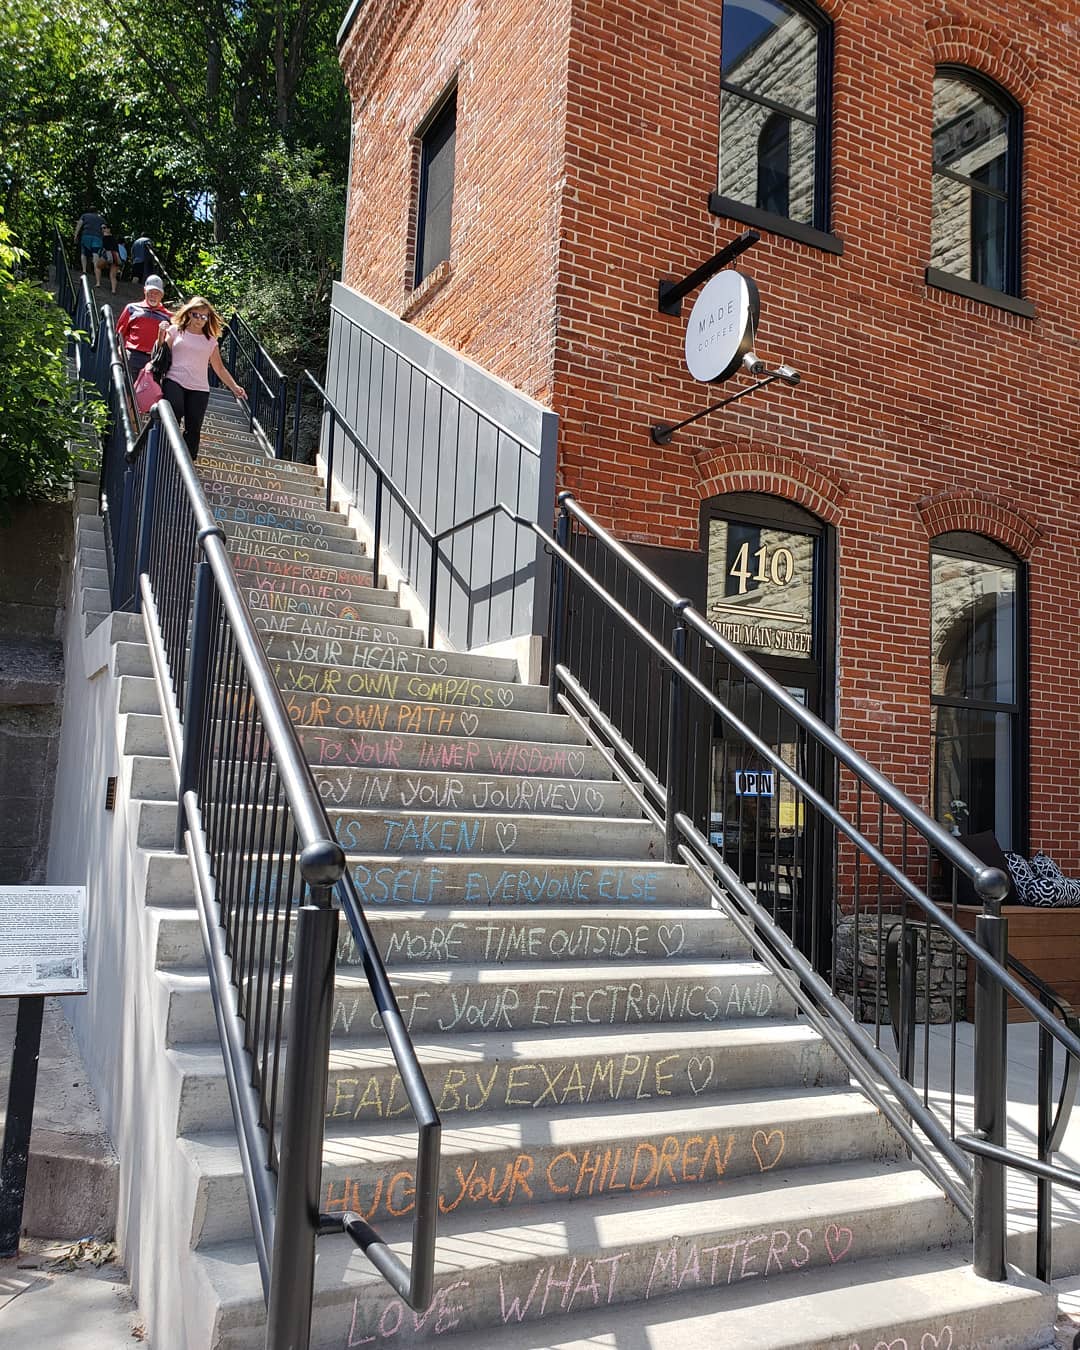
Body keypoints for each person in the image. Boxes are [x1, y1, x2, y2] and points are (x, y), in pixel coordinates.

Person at [158, 296, 246, 459]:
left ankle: (188, 463)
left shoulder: (210, 341)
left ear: (208, 318)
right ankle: (166, 452)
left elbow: (219, 368)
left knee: (194, 427)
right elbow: (160, 352)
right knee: (174, 410)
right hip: (174, 379)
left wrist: (234, 387)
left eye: (203, 317)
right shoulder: (176, 330)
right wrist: (160, 334)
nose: (199, 319)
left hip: (199, 388)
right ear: (189, 313)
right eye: (196, 315)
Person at [116, 276, 172, 377]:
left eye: (157, 293)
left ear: (162, 295)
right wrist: (120, 349)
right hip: (132, 355)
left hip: (155, 359)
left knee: (151, 387)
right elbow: (120, 332)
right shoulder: (131, 308)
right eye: (150, 292)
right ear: (145, 291)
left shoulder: (168, 316)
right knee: (128, 385)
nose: (153, 296)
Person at [74, 209, 105, 277]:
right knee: (95, 254)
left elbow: (79, 224)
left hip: (86, 235)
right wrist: (104, 238)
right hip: (97, 237)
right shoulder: (101, 219)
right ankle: (96, 270)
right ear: (96, 212)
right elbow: (103, 229)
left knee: (84, 253)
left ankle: (84, 270)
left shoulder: (84, 216)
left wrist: (75, 235)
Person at [95, 222, 121, 294]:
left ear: (109, 229)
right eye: (101, 228)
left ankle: (98, 283)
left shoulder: (105, 237)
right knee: (113, 275)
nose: (102, 230)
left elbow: (106, 247)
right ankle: (113, 290)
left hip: (108, 254)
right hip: (116, 256)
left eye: (104, 228)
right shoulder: (114, 238)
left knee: (97, 266)